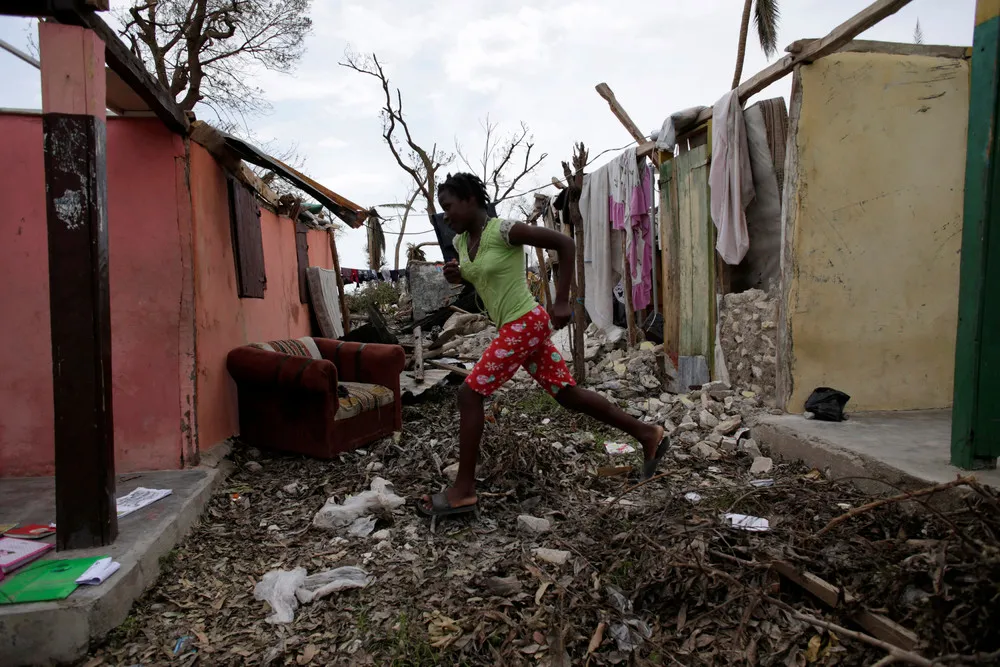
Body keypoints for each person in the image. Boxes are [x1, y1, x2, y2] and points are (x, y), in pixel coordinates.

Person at [418, 173, 668, 518]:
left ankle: (463, 490)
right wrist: (458, 276)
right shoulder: (462, 244)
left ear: (470, 200)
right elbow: (477, 278)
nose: (445, 216)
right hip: (513, 326)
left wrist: (561, 299)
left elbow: (565, 245)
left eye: (448, 206)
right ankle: (647, 434)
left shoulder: (504, 230)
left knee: (469, 394)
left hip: (526, 322)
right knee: (566, 394)